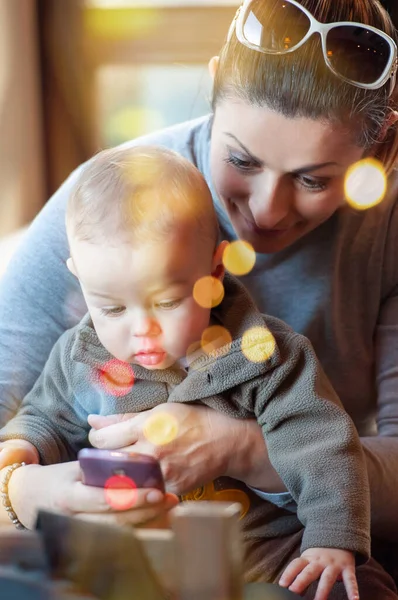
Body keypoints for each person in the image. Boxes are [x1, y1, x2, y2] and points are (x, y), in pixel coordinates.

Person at [0, 0, 397, 596]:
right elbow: (34, 414)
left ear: (380, 147)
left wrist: (241, 449)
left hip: (274, 554)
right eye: (241, 160)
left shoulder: (267, 347)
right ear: (213, 85)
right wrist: (20, 488)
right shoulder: (102, 212)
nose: (266, 210)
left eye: (313, 179)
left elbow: (325, 439)